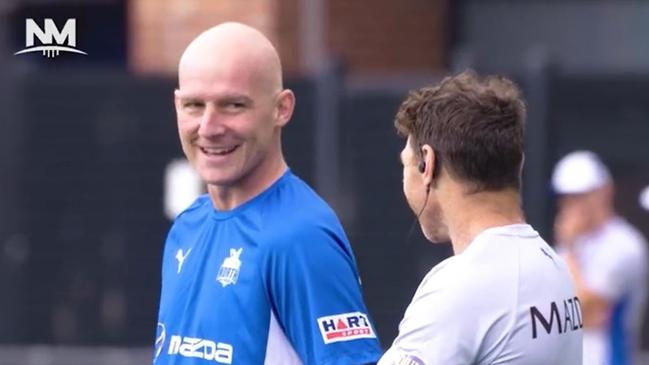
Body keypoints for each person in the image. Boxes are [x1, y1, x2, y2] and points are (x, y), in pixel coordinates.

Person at [152, 22, 382, 364]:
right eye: (194, 105)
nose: (209, 128)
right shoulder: (187, 225)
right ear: (176, 106)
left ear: (282, 108)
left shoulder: (300, 236)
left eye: (233, 105)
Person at [378, 71, 583, 365]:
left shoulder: (461, 285)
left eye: (406, 164)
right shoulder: (552, 267)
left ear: (428, 163)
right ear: (518, 163)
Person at [552, 150, 648, 365]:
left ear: (605, 191)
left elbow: (590, 313)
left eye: (581, 195)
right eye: (566, 197)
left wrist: (569, 247)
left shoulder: (625, 244)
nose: (572, 205)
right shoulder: (566, 247)